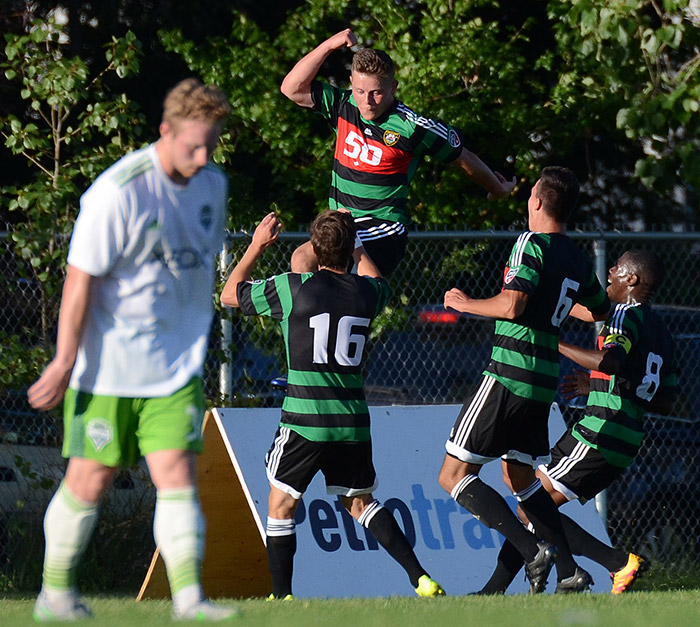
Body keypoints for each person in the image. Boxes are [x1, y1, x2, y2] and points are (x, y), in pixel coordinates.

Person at [27, 79, 238, 621]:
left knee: (176, 475)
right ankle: (54, 595)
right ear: (164, 132)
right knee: (89, 480)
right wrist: (64, 360)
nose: (202, 156)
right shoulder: (118, 192)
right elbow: (80, 282)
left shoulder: (213, 184)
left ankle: (190, 601)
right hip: (107, 368)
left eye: (211, 145)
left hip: (173, 367)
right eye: (193, 145)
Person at [221, 209, 445, 599]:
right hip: (352, 421)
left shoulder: (294, 288)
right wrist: (356, 244)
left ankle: (282, 596)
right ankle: (420, 578)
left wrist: (257, 244)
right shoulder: (368, 293)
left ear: (315, 249)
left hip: (307, 419)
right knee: (360, 503)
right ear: (350, 249)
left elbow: (229, 294)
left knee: (281, 504)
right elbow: (373, 274)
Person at [437, 166, 611, 594]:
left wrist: (465, 303)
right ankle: (570, 570)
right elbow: (599, 310)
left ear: (536, 201)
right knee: (520, 478)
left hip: (508, 372)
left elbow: (513, 306)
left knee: (453, 475)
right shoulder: (575, 255)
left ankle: (532, 549)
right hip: (542, 381)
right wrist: (556, 303)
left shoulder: (530, 244)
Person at [477, 249, 677, 595]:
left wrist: (552, 340)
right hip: (626, 438)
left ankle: (617, 563)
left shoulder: (623, 317)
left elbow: (609, 360)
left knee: (531, 504)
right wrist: (598, 384)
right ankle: (497, 590)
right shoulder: (660, 328)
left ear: (632, 280)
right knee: (534, 507)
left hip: (600, 430)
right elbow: (666, 400)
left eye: (616, 268)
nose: (610, 272)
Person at [280, 28, 516, 276]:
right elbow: (291, 88)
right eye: (360, 91)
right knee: (318, 281)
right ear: (352, 84)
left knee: (304, 259)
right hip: (342, 224)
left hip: (383, 229)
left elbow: (463, 157)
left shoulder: (413, 127)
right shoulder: (342, 105)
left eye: (376, 92)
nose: (367, 101)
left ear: (393, 87)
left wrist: (497, 188)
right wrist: (330, 44)